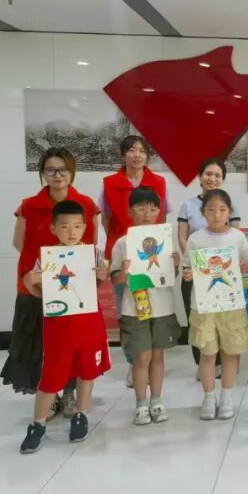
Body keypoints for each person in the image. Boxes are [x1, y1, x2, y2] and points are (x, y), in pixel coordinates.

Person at [2, 148, 98, 420]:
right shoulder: (28, 206)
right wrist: (40, 271)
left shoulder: (86, 204)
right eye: (50, 170)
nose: (57, 175)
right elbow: (19, 243)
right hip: (35, 285)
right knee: (39, 343)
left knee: (72, 343)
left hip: (73, 287)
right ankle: (50, 395)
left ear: (72, 171)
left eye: (63, 169)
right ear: (42, 173)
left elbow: (91, 244)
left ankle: (69, 393)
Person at [19, 200, 111, 453]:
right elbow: (40, 294)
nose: (72, 232)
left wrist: (103, 276)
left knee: (87, 371)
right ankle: (37, 424)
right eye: (65, 227)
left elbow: (98, 286)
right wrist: (29, 282)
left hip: (88, 323)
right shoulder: (46, 256)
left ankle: (81, 415)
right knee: (51, 375)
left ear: (85, 227)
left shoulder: (93, 254)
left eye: (77, 226)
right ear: (54, 228)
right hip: (59, 326)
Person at [100, 135, 169, 387]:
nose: (137, 155)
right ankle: (134, 364)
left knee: (154, 309)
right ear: (123, 155)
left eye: (142, 150)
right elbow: (106, 219)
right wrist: (123, 244)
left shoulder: (159, 182)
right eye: (131, 150)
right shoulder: (110, 184)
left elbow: (163, 215)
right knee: (129, 310)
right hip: (126, 256)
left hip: (152, 255)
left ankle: (153, 364)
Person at [110, 187, 181, 425]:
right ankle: (141, 403)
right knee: (141, 357)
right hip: (134, 308)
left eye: (152, 209)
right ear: (130, 212)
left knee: (158, 356)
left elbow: (171, 275)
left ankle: (157, 401)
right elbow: (115, 278)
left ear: (159, 212)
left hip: (162, 306)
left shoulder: (166, 241)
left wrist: (175, 265)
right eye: (141, 208)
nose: (147, 213)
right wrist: (124, 271)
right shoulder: (123, 243)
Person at [182, 189, 248, 421]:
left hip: (232, 304)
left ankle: (227, 397)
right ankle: (208, 397)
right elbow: (187, 268)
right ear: (203, 213)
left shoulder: (237, 237)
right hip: (203, 306)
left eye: (222, 210)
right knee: (207, 353)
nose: (216, 214)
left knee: (231, 352)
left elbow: (246, 265)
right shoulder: (196, 239)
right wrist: (188, 274)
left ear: (229, 212)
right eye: (211, 210)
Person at [178, 158, 237, 376]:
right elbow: (183, 237)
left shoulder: (231, 205)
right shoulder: (188, 205)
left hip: (222, 273)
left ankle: (220, 362)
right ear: (200, 177)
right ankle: (202, 362)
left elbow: (233, 238)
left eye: (217, 175)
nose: (212, 178)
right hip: (194, 271)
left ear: (222, 180)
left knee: (222, 315)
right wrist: (195, 264)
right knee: (198, 318)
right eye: (208, 174)